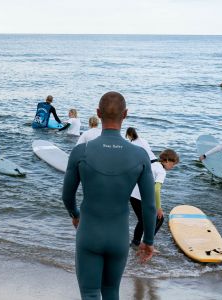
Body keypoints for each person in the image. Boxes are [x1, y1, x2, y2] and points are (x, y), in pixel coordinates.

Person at [62, 91, 156, 300]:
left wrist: (74, 214)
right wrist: (148, 240)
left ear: (98, 113)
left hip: (89, 234)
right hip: (119, 236)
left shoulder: (81, 152)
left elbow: (67, 196)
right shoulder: (140, 155)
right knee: (112, 292)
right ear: (125, 114)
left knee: (90, 293)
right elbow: (149, 205)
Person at [130, 149, 180, 247]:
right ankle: (147, 244)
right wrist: (158, 208)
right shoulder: (161, 171)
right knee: (159, 219)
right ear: (166, 161)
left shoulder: (153, 164)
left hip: (133, 195)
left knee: (142, 220)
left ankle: (135, 243)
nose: (173, 167)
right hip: (141, 197)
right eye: (173, 164)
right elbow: (156, 189)